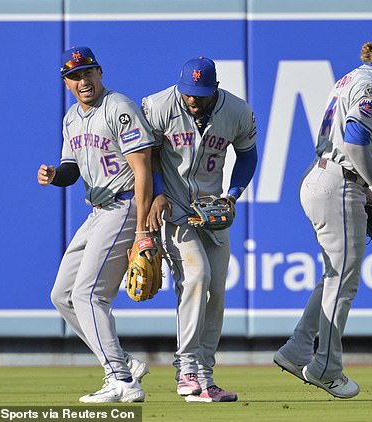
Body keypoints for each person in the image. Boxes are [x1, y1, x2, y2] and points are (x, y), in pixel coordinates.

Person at [273, 24, 372, 398]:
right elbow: (354, 137)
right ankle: (327, 366)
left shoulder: (352, 78)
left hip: (325, 178)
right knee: (344, 281)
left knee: (334, 275)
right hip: (340, 182)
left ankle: (297, 349)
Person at [37, 46, 155, 403]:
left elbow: (143, 168)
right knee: (62, 295)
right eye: (74, 76)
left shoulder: (119, 108)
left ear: (100, 72)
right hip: (98, 211)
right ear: (66, 83)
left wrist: (142, 229)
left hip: (124, 205)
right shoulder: (72, 118)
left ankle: (121, 380)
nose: (82, 80)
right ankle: (124, 364)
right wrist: (56, 175)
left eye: (88, 72)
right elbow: (71, 169)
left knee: (89, 294)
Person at [142, 57, 257, 402]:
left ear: (215, 88)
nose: (193, 100)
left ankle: (205, 377)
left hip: (211, 211)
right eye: (189, 93)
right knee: (197, 277)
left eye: (201, 94)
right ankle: (187, 368)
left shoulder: (237, 111)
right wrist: (158, 194)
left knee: (218, 292)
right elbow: (146, 156)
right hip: (175, 208)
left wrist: (233, 195)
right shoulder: (158, 105)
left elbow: (248, 156)